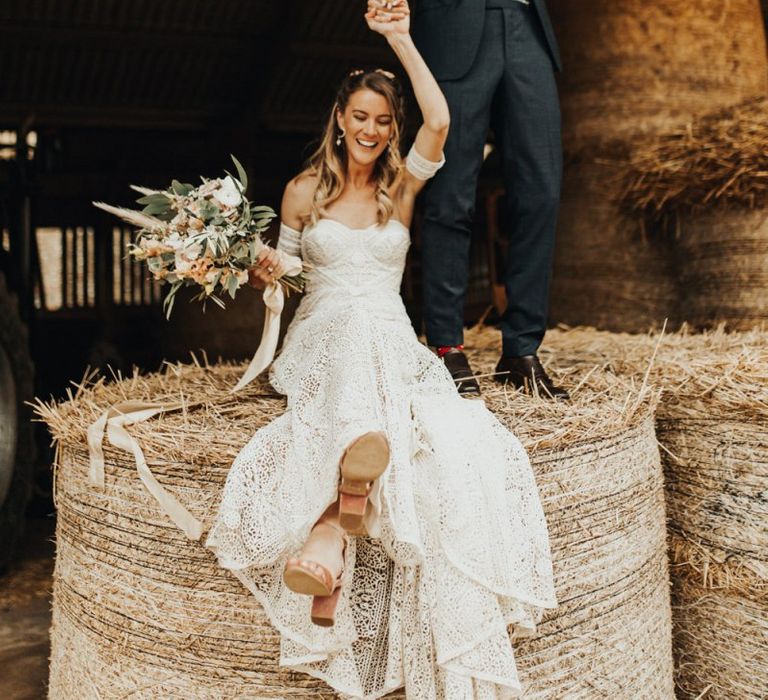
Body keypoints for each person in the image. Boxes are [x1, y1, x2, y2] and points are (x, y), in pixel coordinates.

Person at [205, 2, 557, 697]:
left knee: (458, 431)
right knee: (362, 343)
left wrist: (399, 38)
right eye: (359, 116)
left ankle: (332, 533)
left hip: (390, 336)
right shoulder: (303, 191)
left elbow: (443, 122)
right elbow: (286, 275)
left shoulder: (399, 189)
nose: (370, 129)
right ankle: (349, 494)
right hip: (323, 336)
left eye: (381, 120)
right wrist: (261, 270)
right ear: (339, 117)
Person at [411, 0, 570, 400]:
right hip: (454, 23)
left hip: (527, 23)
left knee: (542, 192)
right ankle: (447, 346)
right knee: (451, 193)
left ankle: (521, 350)